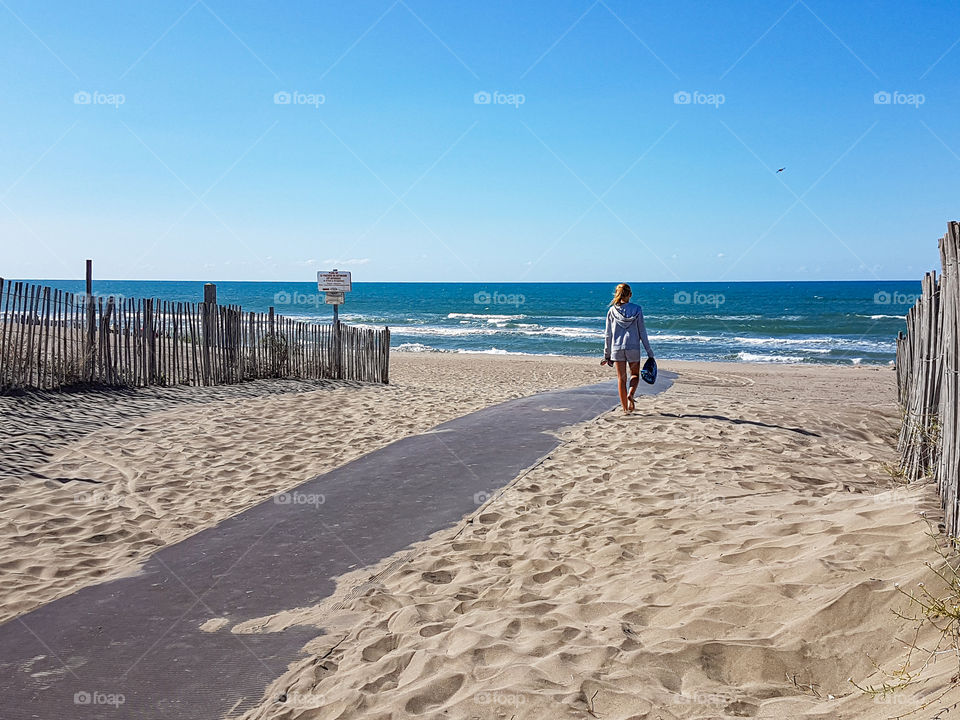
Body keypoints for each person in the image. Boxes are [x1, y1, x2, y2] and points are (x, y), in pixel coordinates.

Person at [602, 283, 655, 414]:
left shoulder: (611, 311)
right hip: (633, 347)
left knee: (621, 379)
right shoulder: (637, 309)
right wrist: (650, 352)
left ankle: (625, 409)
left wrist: (606, 355)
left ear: (617, 294)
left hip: (617, 348)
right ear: (630, 294)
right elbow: (642, 332)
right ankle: (631, 394)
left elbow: (608, 335)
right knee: (635, 374)